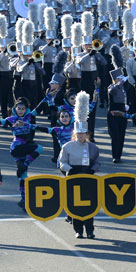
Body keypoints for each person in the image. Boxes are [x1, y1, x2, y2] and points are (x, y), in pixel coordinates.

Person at [57, 91, 100, 239]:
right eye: (79, 134)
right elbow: (62, 162)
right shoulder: (67, 146)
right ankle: (78, 230)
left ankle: (90, 230)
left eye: (83, 134)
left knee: (89, 203)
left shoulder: (93, 147)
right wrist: (70, 171)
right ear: (75, 134)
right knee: (75, 204)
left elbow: (97, 162)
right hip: (73, 175)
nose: (81, 136)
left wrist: (92, 171)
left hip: (87, 175)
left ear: (86, 134)